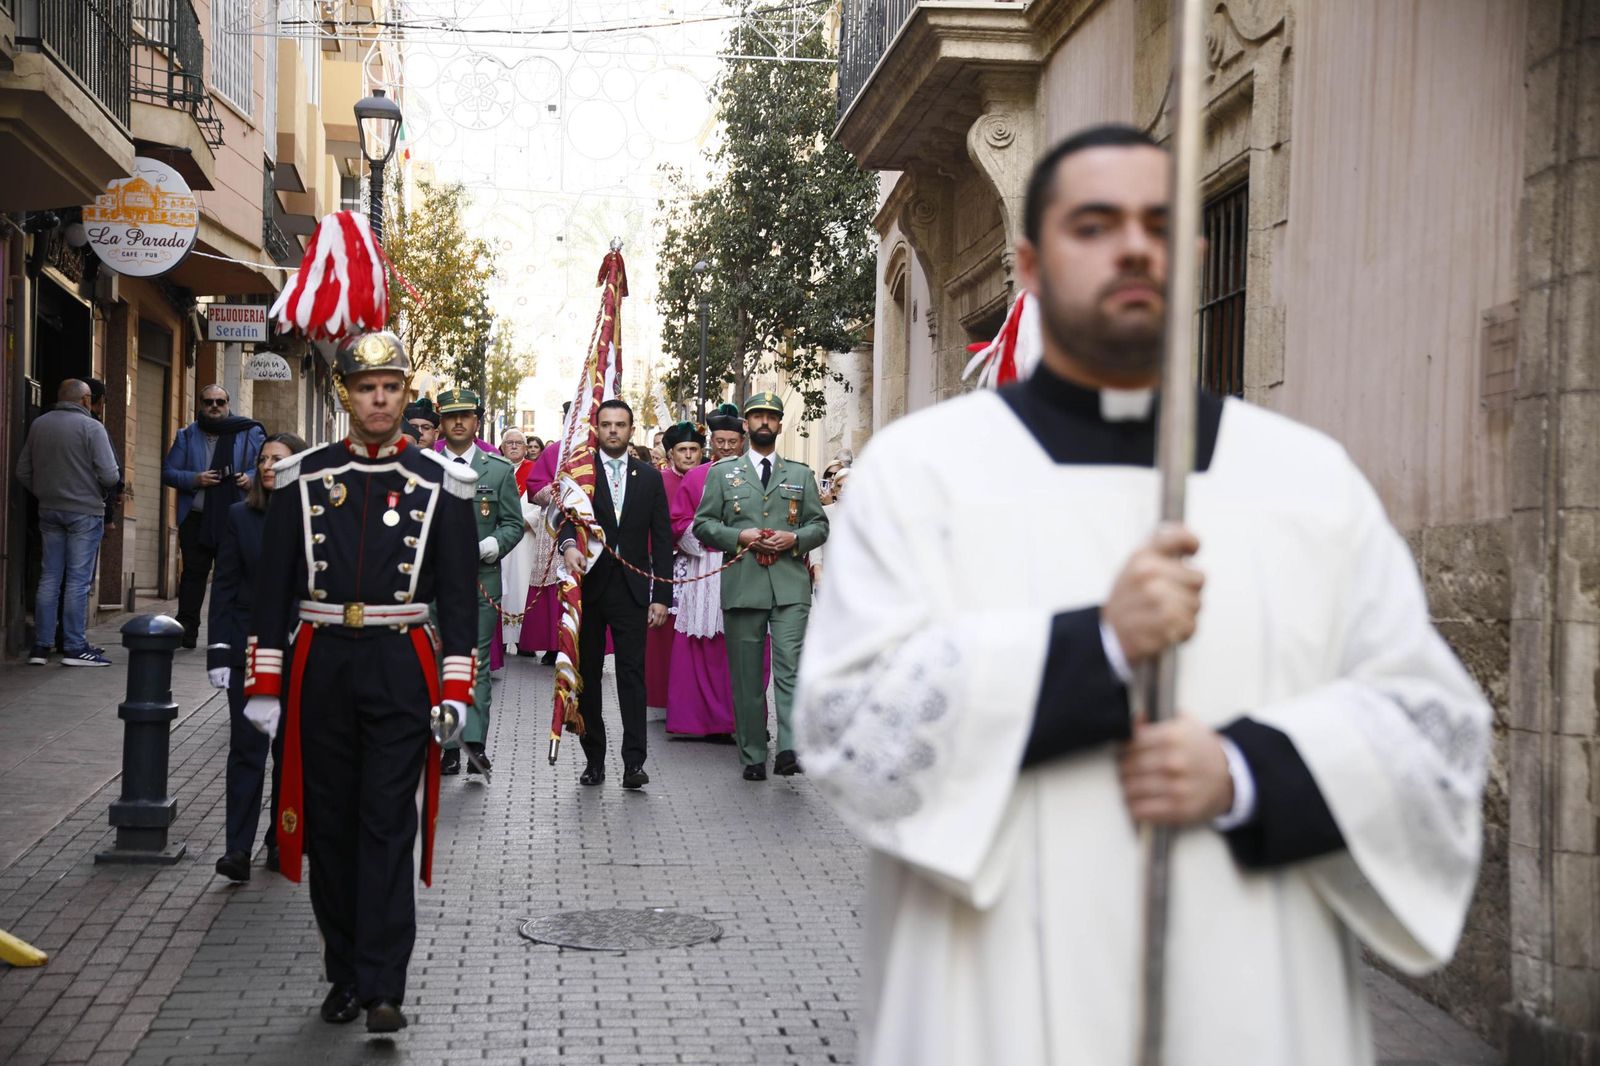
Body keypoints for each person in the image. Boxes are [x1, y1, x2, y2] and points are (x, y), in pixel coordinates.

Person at [792, 125, 1491, 1066]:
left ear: (1193, 253)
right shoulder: (920, 474)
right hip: (999, 994)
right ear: (1031, 266)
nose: (1132, 247)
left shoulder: (1307, 481)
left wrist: (1247, 771)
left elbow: (1433, 730)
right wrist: (1099, 648)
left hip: (1249, 989)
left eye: (1159, 225)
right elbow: (849, 724)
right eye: (1095, 225)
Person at [242, 330, 478, 1034]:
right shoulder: (301, 478)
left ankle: (382, 987)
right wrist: (264, 682)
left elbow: (459, 600)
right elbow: (271, 590)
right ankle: (343, 972)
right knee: (331, 825)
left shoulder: (443, 482)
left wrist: (456, 692)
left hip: (400, 663)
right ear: (344, 394)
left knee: (386, 822)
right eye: (367, 387)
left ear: (406, 394)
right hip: (321, 662)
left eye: (392, 387)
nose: (380, 399)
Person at [692, 392, 828, 780]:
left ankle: (789, 749)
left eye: (771, 416)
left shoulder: (800, 474)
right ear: (746, 424)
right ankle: (752, 753)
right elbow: (703, 524)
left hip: (789, 587)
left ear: (780, 425)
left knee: (791, 669)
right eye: (757, 416)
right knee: (747, 675)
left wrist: (795, 539)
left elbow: (819, 525)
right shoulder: (723, 473)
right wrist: (740, 536)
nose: (764, 422)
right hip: (743, 584)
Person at [557, 399, 674, 789]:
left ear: (630, 429)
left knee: (632, 677)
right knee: (588, 676)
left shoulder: (650, 477)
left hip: (633, 591)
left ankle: (634, 763)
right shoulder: (582, 473)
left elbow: (662, 539)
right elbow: (565, 518)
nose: (612, 430)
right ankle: (594, 759)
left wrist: (662, 595)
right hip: (590, 587)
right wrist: (568, 546)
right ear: (598, 428)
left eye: (620, 425)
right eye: (606, 424)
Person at [207, 431, 307, 882]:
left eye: (277, 459)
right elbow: (224, 588)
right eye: (263, 459)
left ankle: (279, 839)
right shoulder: (239, 516)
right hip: (249, 652)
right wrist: (219, 653)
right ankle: (237, 849)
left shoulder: (315, 519)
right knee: (247, 751)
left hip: (298, 648)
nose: (267, 466)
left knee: (288, 752)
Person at [435, 388, 524, 776]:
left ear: (477, 421)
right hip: (434, 584)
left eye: (466, 415)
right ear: (442, 421)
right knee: (440, 662)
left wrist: (491, 545)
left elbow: (513, 524)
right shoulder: (424, 466)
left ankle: (474, 743)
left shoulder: (499, 470)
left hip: (480, 580)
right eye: (451, 416)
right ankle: (447, 746)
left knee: (477, 662)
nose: (458, 422)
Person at [667, 404, 765, 738]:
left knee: (746, 645)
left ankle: (743, 721)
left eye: (731, 442)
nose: (725, 447)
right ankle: (700, 721)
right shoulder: (696, 477)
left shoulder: (757, 474)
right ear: (711, 442)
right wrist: (711, 538)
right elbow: (678, 522)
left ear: (742, 441)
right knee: (703, 646)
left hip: (749, 565)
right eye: (719, 442)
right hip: (706, 568)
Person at [16, 379, 123, 667]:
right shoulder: (92, 428)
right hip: (84, 512)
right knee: (77, 580)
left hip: (49, 510)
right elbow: (110, 476)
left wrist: (44, 492)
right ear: (86, 400)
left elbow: (22, 471)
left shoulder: (40, 424)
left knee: (49, 577)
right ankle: (75, 647)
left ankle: (41, 646)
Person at [162, 384, 265, 648]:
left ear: (228, 404)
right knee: (193, 576)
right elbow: (169, 472)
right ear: (201, 405)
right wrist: (195, 479)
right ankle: (187, 632)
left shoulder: (249, 431)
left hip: (235, 519)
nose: (215, 406)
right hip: (197, 518)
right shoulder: (187, 435)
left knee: (231, 577)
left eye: (220, 402)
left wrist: (250, 479)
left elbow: (265, 466)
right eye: (209, 402)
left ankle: (230, 634)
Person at [645, 421, 703, 717]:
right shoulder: (658, 481)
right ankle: (663, 699)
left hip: (704, 566)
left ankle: (694, 701)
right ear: (671, 454)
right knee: (665, 630)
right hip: (668, 565)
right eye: (682, 450)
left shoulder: (711, 478)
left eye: (694, 449)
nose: (689, 455)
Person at [809, 466, 849, 594]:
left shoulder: (865, 517)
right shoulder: (824, 512)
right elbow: (816, 544)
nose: (843, 490)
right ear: (834, 490)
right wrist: (817, 569)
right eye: (839, 486)